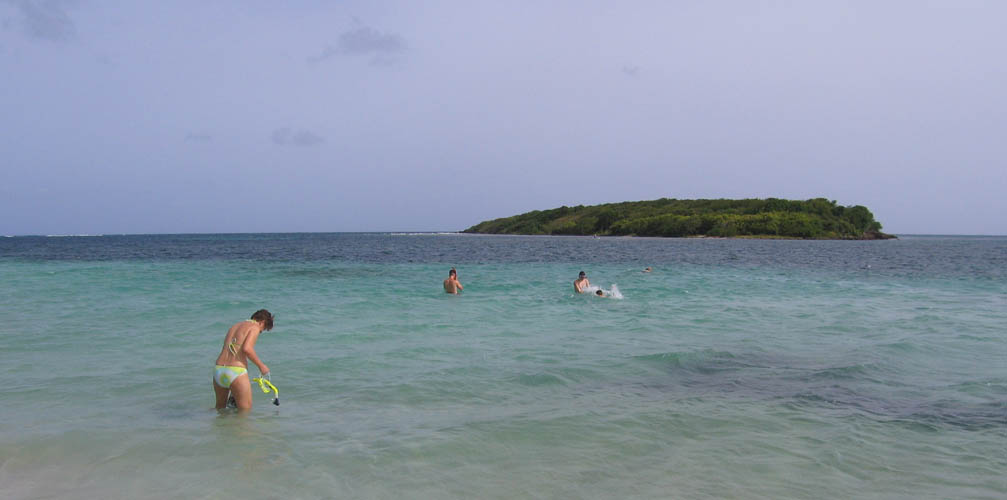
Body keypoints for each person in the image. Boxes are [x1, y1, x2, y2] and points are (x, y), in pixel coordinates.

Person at [212, 309, 273, 410]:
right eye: (263, 329)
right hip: (235, 371)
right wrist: (261, 366)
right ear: (262, 322)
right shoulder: (255, 327)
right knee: (245, 413)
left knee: (219, 409)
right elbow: (247, 349)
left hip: (218, 369)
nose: (260, 331)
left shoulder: (234, 326)